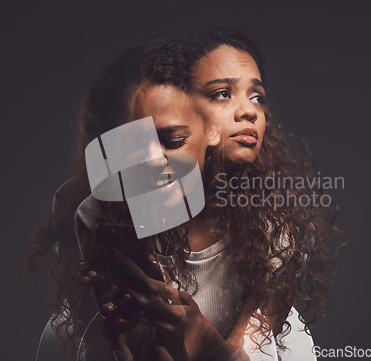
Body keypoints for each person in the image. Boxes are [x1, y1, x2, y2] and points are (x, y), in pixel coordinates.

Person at [27, 27, 339, 361]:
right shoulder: (97, 215)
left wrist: (205, 342)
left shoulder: (269, 227)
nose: (151, 159)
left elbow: (244, 350)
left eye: (173, 139)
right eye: (131, 144)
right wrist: (152, 340)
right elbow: (126, 347)